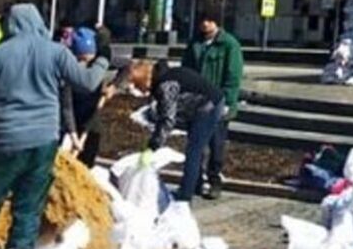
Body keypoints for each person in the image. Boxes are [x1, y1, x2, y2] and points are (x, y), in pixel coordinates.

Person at [0, 4, 111, 249]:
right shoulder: (56, 53)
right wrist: (104, 55)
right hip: (43, 142)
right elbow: (87, 82)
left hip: (3, 140)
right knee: (28, 207)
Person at [122, 59, 224, 202]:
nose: (139, 91)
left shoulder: (165, 85)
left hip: (208, 106)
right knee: (196, 147)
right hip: (198, 105)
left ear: (145, 80)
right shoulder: (164, 77)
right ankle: (196, 184)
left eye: (138, 86)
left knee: (194, 150)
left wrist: (153, 146)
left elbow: (167, 119)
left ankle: (185, 194)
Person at [180, 14, 243, 198]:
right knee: (195, 146)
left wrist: (228, 102)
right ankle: (195, 181)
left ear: (217, 22)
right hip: (196, 103)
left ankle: (215, 180)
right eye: (202, 20)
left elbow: (233, 76)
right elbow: (187, 70)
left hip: (217, 103)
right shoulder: (195, 43)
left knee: (216, 146)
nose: (204, 23)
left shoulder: (229, 44)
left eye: (208, 20)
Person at [61, 28, 111, 167]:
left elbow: (127, 68)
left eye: (88, 60)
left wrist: (113, 86)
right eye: (81, 60)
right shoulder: (67, 70)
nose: (84, 65)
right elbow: (67, 106)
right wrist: (73, 135)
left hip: (90, 118)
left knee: (86, 162)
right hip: (67, 121)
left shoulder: (99, 63)